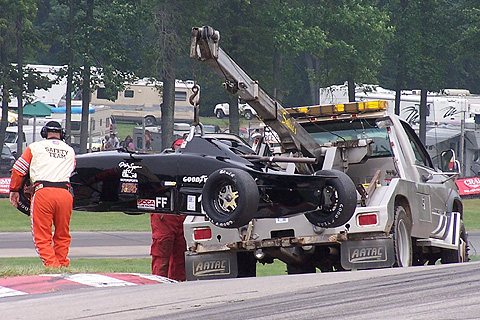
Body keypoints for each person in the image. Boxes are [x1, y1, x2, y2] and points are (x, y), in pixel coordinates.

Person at [9, 121, 76, 268]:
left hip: (43, 192)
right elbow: (71, 170)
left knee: (42, 235)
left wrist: (14, 190)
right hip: (65, 193)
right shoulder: (70, 150)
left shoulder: (35, 147)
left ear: (44, 133)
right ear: (62, 134)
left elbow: (18, 169)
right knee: (62, 234)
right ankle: (62, 264)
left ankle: (52, 266)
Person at [150, 138, 186, 281]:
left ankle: (177, 286)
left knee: (181, 256)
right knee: (162, 254)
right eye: (178, 148)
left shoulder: (191, 166)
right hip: (164, 214)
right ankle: (158, 285)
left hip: (183, 214)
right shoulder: (162, 166)